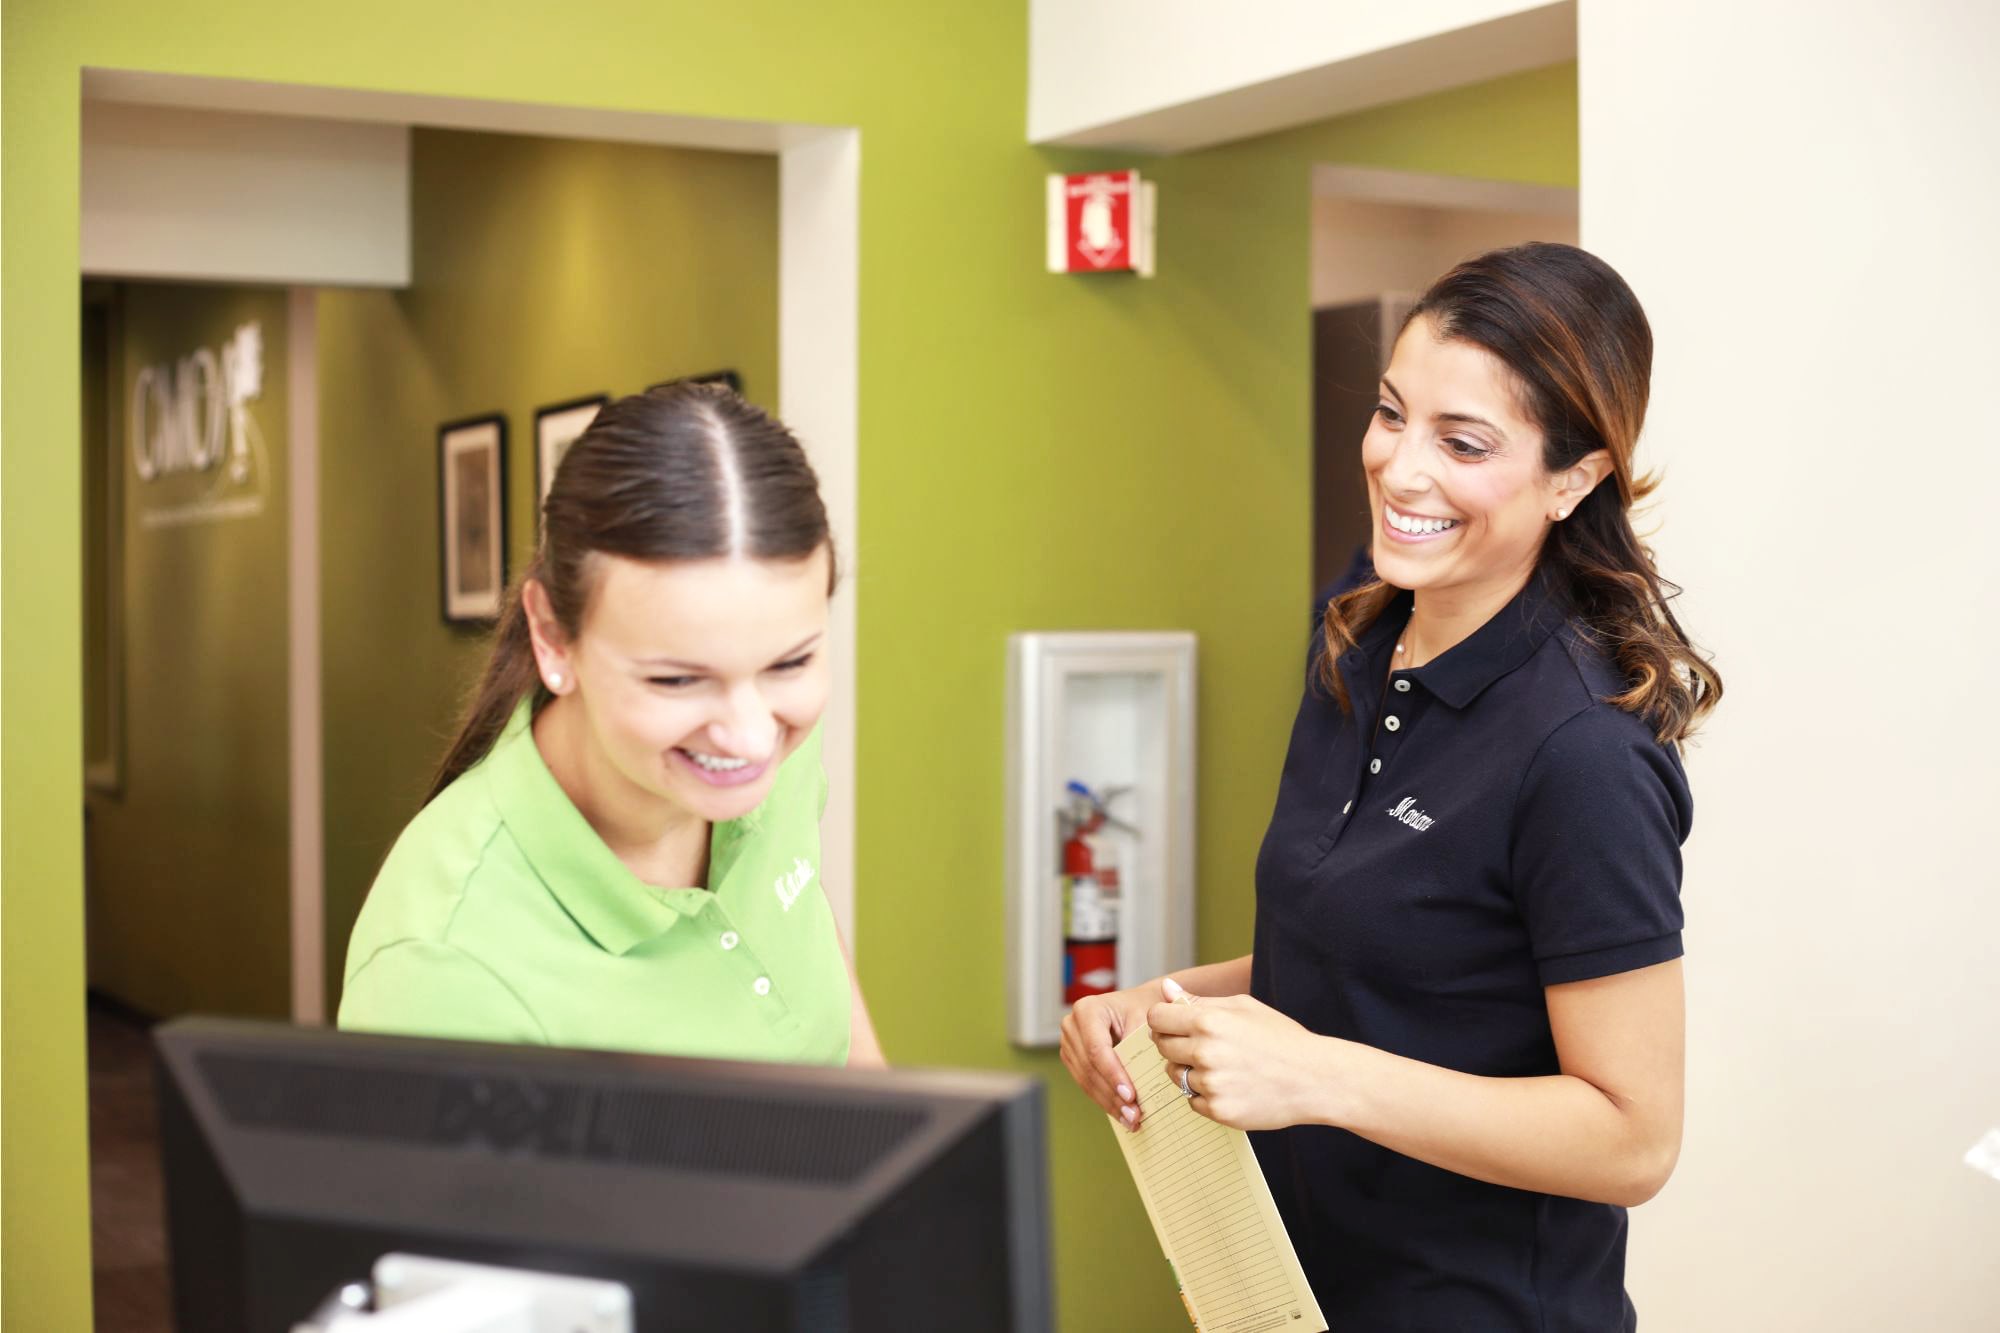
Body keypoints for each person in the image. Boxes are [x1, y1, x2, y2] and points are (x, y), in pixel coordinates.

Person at [1060, 243, 1720, 1328]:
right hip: (1291, 1294)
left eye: (1460, 442)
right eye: (1388, 414)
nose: (1400, 468)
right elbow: (1369, 958)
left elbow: (1630, 1136)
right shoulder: (1357, 647)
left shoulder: (1580, 749)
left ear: (1574, 475)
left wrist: (1316, 1076)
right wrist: (1167, 1005)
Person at [340, 382, 885, 1069]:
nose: (749, 736)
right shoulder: (442, 971)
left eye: (790, 662)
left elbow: (801, 936)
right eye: (678, 679)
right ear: (552, 637)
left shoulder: (767, 758)